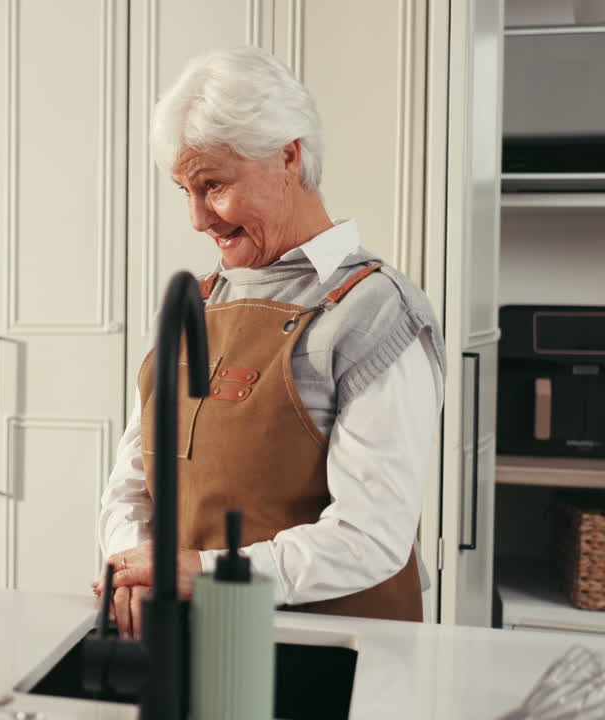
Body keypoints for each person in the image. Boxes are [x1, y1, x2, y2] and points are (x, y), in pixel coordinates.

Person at [95, 46, 444, 638]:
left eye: (214, 185)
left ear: (288, 157)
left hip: (336, 656)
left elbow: (371, 535)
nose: (198, 218)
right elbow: (131, 484)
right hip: (195, 643)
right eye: (184, 189)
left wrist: (202, 574)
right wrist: (134, 566)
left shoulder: (376, 310)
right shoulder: (194, 305)